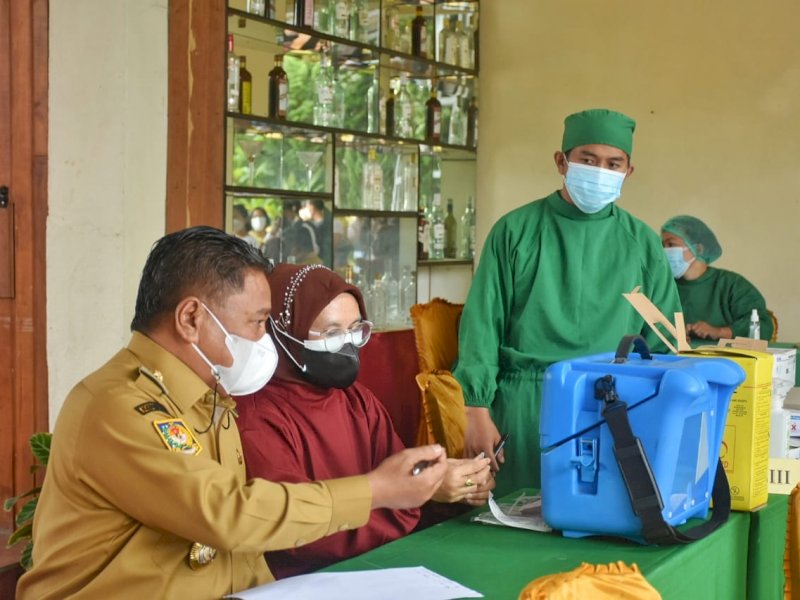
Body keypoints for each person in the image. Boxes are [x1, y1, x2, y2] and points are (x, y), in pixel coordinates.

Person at [16, 227, 447, 599]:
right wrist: (373, 491)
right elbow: (230, 515)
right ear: (190, 319)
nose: (266, 341)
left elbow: (236, 556)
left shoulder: (211, 395)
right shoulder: (117, 406)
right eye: (257, 323)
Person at [453, 108, 682, 496]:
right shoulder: (515, 232)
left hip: (613, 409)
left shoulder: (641, 244)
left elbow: (663, 345)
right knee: (516, 529)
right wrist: (475, 409)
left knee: (599, 533)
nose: (600, 171)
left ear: (628, 172)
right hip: (525, 405)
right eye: (588, 160)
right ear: (562, 162)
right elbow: (482, 325)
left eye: (613, 163)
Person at [236, 263, 493, 578]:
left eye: (356, 329)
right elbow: (297, 533)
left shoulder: (356, 400)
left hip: (382, 566)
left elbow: (409, 483)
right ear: (283, 333)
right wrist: (420, 493)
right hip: (306, 582)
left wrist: (464, 485)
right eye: (331, 333)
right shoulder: (255, 414)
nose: (348, 345)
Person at [661, 215, 773, 341]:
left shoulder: (732, 285)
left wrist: (720, 332)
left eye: (671, 244)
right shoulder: (664, 287)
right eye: (662, 245)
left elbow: (763, 326)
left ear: (698, 248)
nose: (665, 251)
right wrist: (671, 337)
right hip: (677, 359)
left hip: (727, 359)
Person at [299, 199, 332, 265]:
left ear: (312, 207)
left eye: (306, 206)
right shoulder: (309, 225)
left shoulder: (328, 224)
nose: (304, 209)